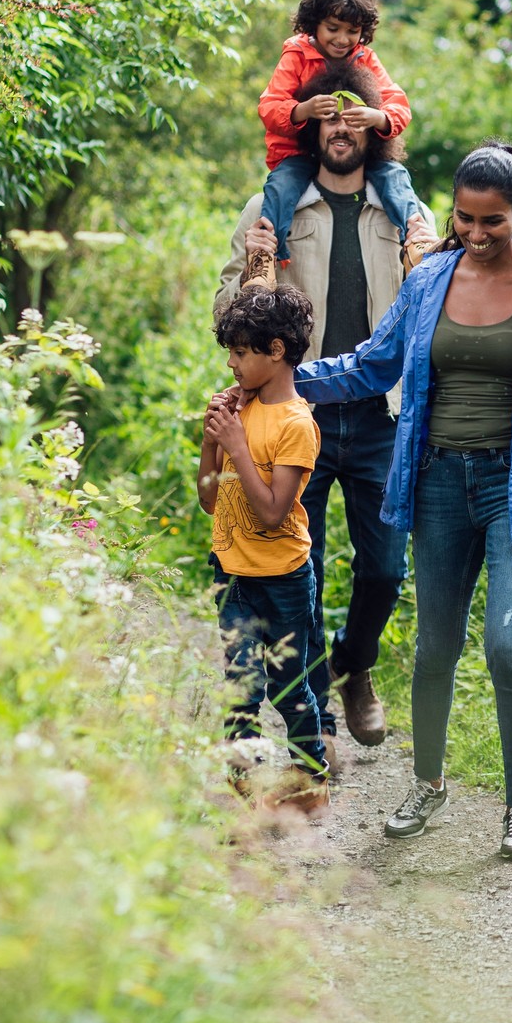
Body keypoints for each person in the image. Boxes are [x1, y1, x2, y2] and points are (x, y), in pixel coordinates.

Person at [296, 141, 512, 861]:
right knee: (434, 649)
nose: (474, 232)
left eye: (492, 220)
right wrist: (288, 380)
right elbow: (376, 363)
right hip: (437, 482)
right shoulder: (431, 279)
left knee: (506, 646)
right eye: (464, 218)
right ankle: (428, 785)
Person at [216, 63, 437, 763]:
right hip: (295, 408)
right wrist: (256, 272)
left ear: (373, 126)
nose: (340, 130)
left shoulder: (407, 212)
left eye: (353, 117)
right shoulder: (271, 207)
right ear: (309, 123)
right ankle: (320, 722)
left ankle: (355, 663)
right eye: (328, 117)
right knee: (296, 571)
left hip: (380, 411)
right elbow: (227, 311)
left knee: (383, 572)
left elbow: (435, 297)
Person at [198, 286, 328, 811]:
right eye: (229, 352)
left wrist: (234, 445)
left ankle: (308, 779)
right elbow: (210, 500)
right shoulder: (238, 411)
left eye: (241, 352)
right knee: (241, 687)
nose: (231, 364)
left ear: (276, 351)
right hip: (232, 573)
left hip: (284, 578)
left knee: (289, 685)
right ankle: (239, 788)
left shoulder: (297, 424)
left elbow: (273, 512)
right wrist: (212, 439)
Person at [257, 0, 417, 265]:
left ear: (363, 31)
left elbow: (399, 105)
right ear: (314, 23)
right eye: (333, 28)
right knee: (280, 187)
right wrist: (303, 109)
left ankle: (415, 243)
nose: (343, 39)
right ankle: (268, 256)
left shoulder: (365, 58)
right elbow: (269, 105)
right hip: (299, 151)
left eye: (352, 31)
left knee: (395, 178)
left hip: (357, 153)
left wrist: (377, 117)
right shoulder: (296, 55)